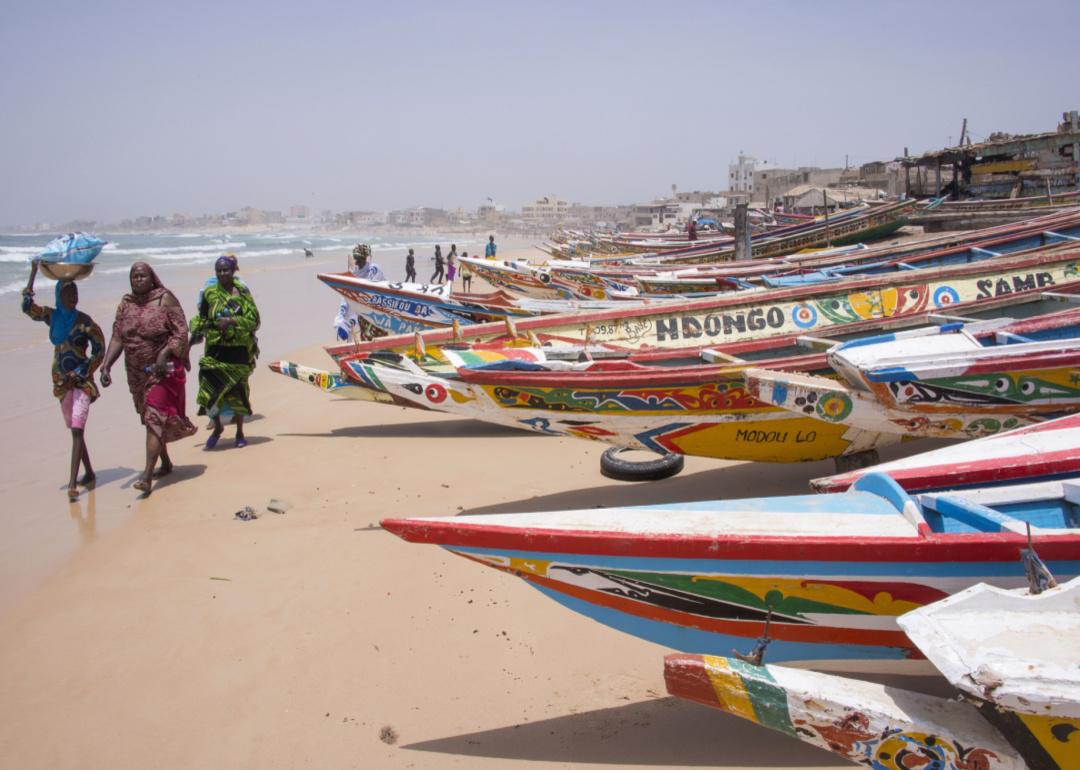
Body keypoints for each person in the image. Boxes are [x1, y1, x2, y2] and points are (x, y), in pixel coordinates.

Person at [100, 262, 197, 496]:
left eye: (143, 275)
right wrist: (106, 366)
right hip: (135, 372)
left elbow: (181, 332)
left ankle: (146, 476)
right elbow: (117, 338)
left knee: (154, 414)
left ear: (152, 277)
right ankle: (165, 463)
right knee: (148, 417)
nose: (138, 280)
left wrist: (165, 353)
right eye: (134, 276)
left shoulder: (166, 299)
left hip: (163, 371)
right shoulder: (126, 304)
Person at [22, 260, 105, 500]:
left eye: (75, 292)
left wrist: (84, 370)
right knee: (75, 430)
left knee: (78, 429)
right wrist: (33, 272)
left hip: (81, 383)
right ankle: (89, 472)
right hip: (60, 382)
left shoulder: (85, 321)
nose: (73, 297)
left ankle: (72, 484)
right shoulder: (52, 316)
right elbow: (27, 307)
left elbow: (99, 348)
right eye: (68, 293)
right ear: (60, 295)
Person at [189, 255, 261, 450]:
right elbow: (201, 319)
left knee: (238, 391)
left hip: (238, 350)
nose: (222, 274)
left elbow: (255, 321)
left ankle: (239, 431)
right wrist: (192, 334)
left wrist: (232, 322)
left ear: (233, 270)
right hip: (214, 350)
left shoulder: (243, 292)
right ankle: (218, 427)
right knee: (208, 390)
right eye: (218, 270)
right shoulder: (209, 293)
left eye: (225, 270)